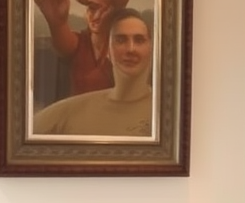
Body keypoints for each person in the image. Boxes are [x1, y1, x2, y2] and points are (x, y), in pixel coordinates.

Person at [33, 0, 148, 96]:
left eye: (105, 9)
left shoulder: (127, 45)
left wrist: (118, 7)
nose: (98, 15)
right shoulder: (80, 43)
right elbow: (63, 42)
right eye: (92, 8)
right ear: (85, 13)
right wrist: (57, 23)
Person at [32, 8, 154, 138]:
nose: (131, 49)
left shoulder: (167, 112)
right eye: (121, 40)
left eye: (139, 40)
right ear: (107, 51)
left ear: (151, 49)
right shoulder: (71, 111)